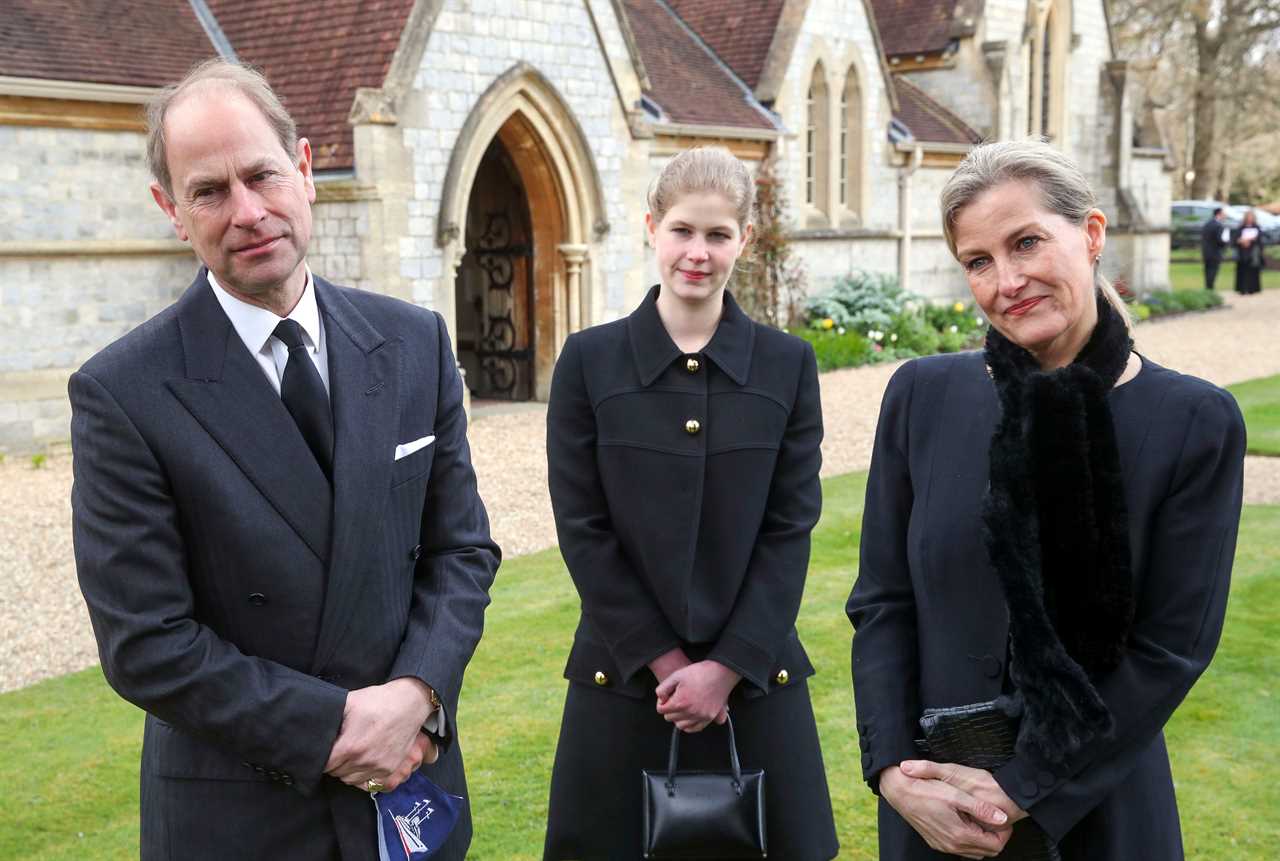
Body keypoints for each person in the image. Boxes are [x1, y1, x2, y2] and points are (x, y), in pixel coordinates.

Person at [69, 59, 499, 860]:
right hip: (244, 817)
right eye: (209, 191)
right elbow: (147, 642)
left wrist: (417, 695)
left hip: (412, 791)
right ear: (172, 210)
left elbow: (461, 550)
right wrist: (339, 728)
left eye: (262, 174)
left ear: (303, 169)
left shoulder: (412, 342)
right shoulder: (123, 391)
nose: (248, 211)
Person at [847, 139, 1245, 859]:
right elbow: (882, 600)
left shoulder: (1194, 421)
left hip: (1096, 810)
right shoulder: (922, 396)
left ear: (1091, 234)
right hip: (931, 812)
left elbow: (1171, 647)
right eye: (979, 260)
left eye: (1026, 242)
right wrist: (893, 775)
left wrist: (1023, 785)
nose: (1007, 280)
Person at [543, 147, 839, 860]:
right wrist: (669, 663)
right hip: (625, 686)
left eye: (717, 234)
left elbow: (788, 529)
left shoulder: (787, 364)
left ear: (744, 239)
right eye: (682, 230)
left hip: (756, 686)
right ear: (651, 227)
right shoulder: (588, 362)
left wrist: (727, 666)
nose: (697, 253)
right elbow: (583, 531)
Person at [1233, 208, 1266, 294]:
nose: (1250, 218)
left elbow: (1261, 240)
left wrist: (1252, 240)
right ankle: (1242, 289)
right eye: (1248, 216)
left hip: (1253, 252)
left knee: (1253, 269)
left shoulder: (1257, 227)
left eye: (1251, 217)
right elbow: (1234, 239)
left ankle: (1253, 288)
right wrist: (1241, 241)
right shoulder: (1241, 228)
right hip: (1242, 252)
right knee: (1242, 270)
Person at [1199, 206, 1229, 290]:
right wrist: (1226, 243)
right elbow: (1220, 240)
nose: (1225, 216)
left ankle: (1208, 289)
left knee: (1207, 271)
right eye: (1224, 214)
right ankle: (1210, 289)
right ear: (1219, 214)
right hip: (1215, 252)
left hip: (1206, 252)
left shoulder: (1207, 224)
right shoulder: (1219, 226)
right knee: (1213, 272)